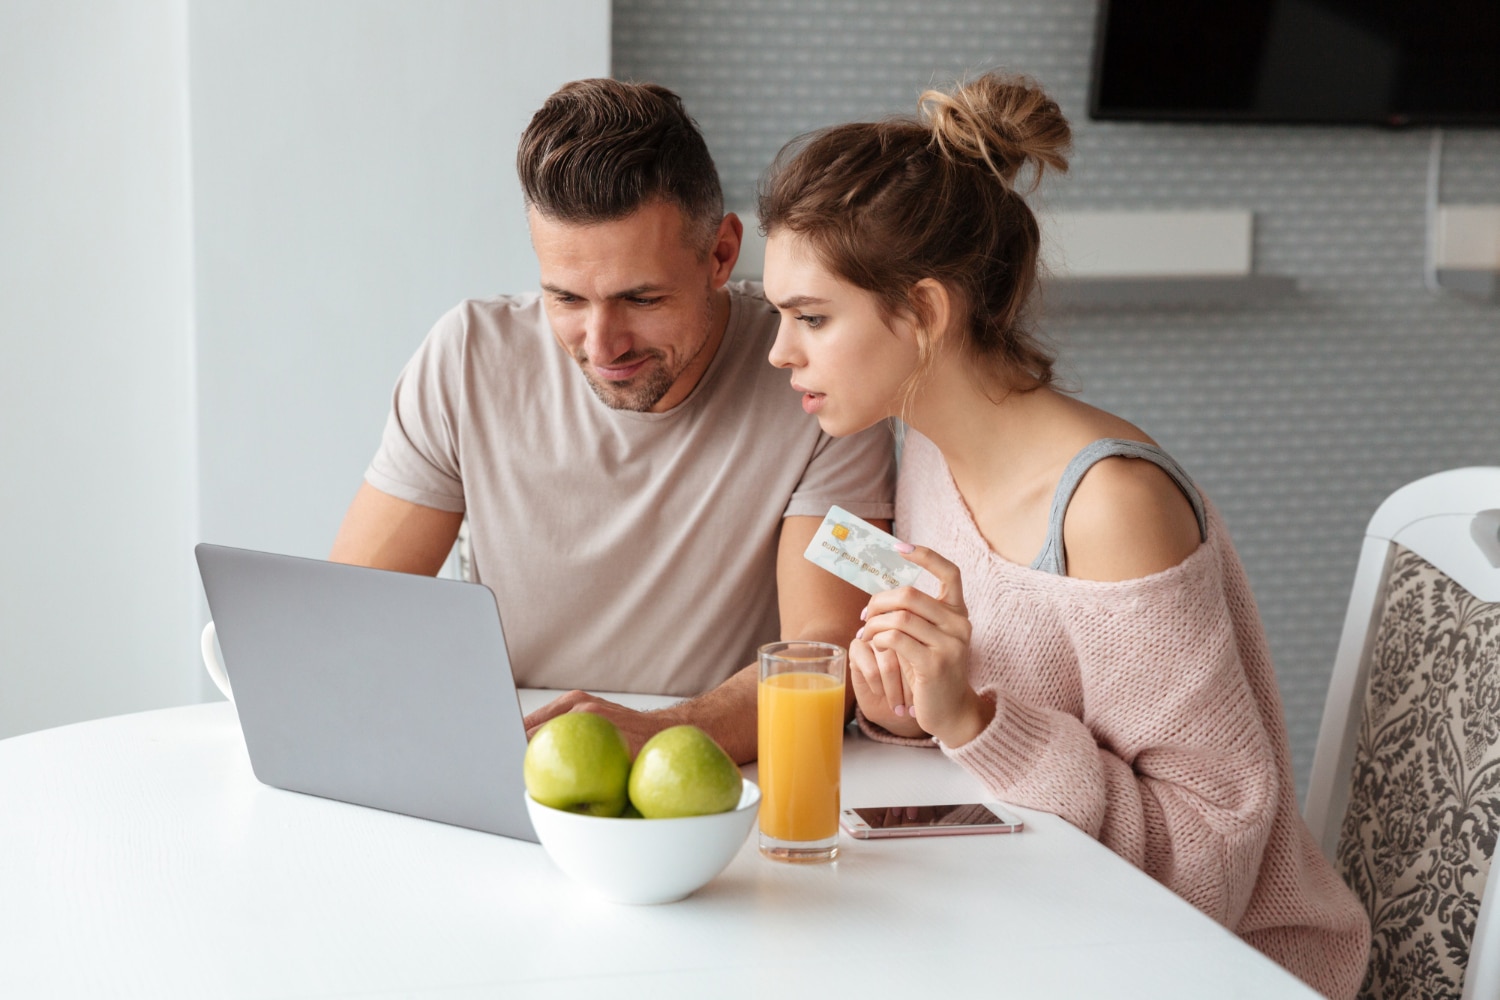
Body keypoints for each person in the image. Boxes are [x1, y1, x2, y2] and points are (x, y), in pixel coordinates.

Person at [757, 73, 1370, 998]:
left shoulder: (1110, 505)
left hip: (1215, 964)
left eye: (811, 318)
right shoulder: (923, 443)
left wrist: (974, 719)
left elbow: (1214, 849)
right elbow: (994, 739)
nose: (779, 352)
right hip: (1032, 922)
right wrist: (911, 704)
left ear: (924, 313)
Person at [329, 78, 895, 763]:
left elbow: (826, 654)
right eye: (565, 298)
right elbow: (352, 615)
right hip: (519, 762)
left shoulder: (818, 382)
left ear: (720, 255)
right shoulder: (467, 357)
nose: (601, 346)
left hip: (715, 778)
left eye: (642, 298)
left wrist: (667, 734)